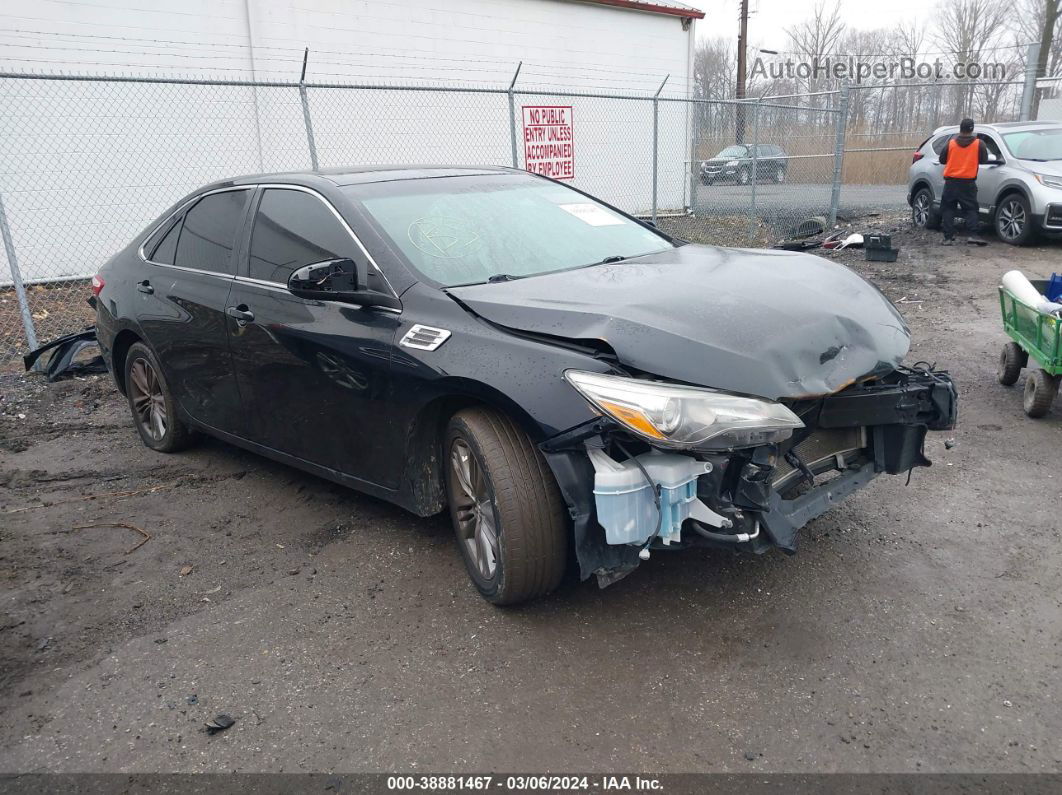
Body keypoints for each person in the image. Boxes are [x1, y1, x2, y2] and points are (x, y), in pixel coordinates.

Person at [938, 118, 988, 246]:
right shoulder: (979, 144)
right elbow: (984, 160)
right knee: (971, 209)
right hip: (968, 183)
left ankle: (948, 238)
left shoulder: (951, 143)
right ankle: (973, 235)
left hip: (951, 182)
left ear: (960, 128)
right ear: (972, 129)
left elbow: (942, 160)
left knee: (948, 209)